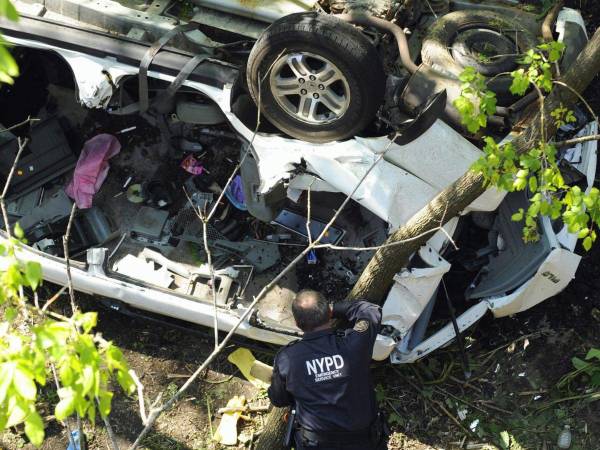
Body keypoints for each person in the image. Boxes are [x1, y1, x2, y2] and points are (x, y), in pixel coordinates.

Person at [268, 289, 388, 449]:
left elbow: (278, 399)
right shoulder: (355, 344)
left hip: (316, 444)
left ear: (297, 324)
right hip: (366, 442)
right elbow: (370, 310)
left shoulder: (287, 359)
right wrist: (333, 308)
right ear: (329, 315)